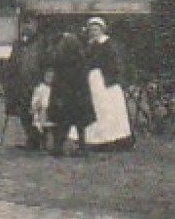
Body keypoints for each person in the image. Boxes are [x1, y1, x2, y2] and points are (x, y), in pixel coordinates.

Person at [82, 17, 134, 151]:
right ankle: (98, 140)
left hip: (107, 81)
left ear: (102, 30)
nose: (94, 32)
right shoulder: (89, 45)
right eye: (91, 30)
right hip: (93, 80)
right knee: (97, 109)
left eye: (96, 29)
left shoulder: (108, 44)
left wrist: (114, 78)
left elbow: (115, 63)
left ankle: (117, 139)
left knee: (111, 110)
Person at [46, 29, 95, 157]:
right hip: (77, 96)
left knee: (63, 122)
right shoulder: (80, 61)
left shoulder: (61, 62)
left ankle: (59, 146)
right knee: (79, 123)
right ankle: (81, 146)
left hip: (66, 96)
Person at [1, 19, 46, 149]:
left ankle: (40, 137)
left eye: (30, 24)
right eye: (24, 24)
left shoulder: (42, 42)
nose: (27, 27)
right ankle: (31, 138)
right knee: (24, 112)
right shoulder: (18, 45)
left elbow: (46, 61)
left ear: (36, 26)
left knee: (37, 112)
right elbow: (12, 62)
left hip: (37, 83)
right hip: (21, 83)